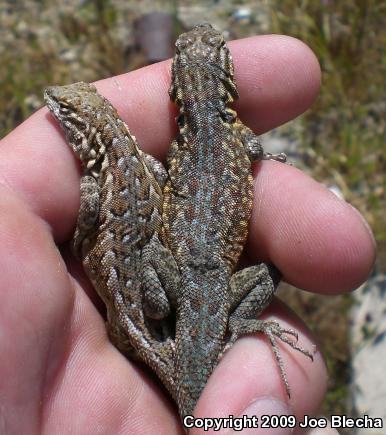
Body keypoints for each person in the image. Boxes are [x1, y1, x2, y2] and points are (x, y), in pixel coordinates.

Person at [0, 34, 375, 434]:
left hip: (183, 274)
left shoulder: (179, 143)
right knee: (272, 272)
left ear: (176, 83)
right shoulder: (236, 137)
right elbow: (250, 148)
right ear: (228, 77)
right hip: (217, 283)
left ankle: (240, 330)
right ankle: (244, 322)